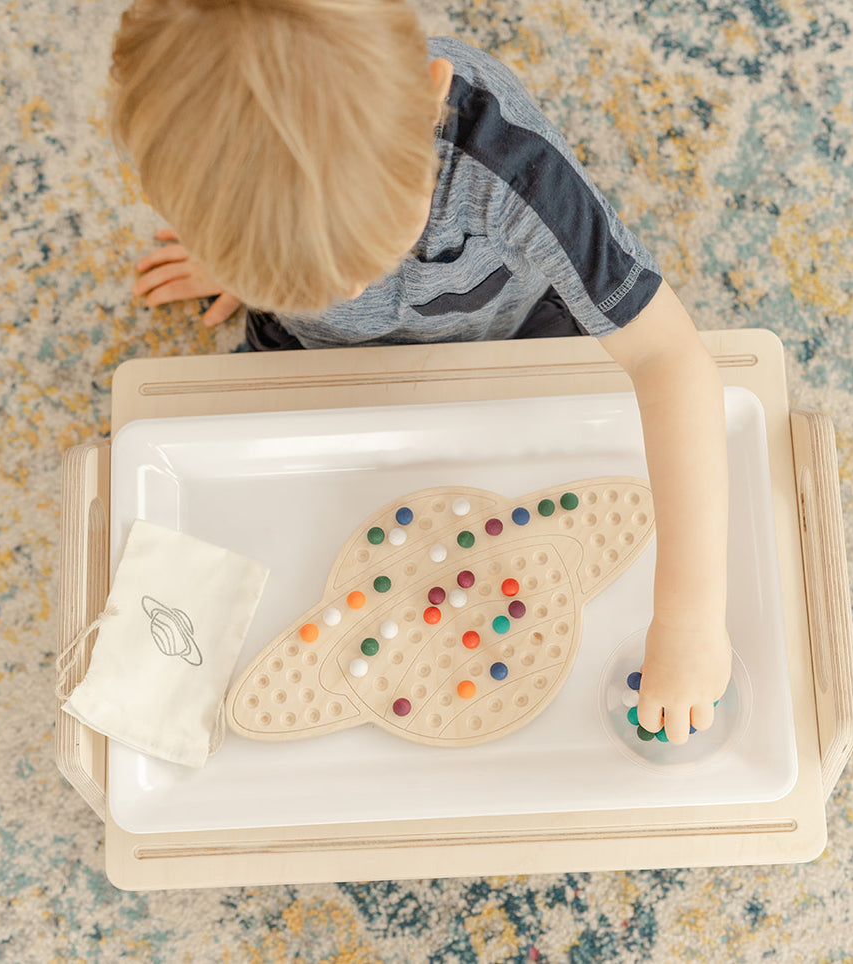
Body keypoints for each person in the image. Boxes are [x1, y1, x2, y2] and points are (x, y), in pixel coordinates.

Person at [110, 0, 730, 744]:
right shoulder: (219, 177)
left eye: (355, 259)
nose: (343, 291)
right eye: (303, 275)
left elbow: (669, 358)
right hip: (311, 355)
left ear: (432, 98)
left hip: (509, 339)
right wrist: (246, 247)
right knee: (217, 504)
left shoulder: (511, 169)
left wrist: (689, 618)